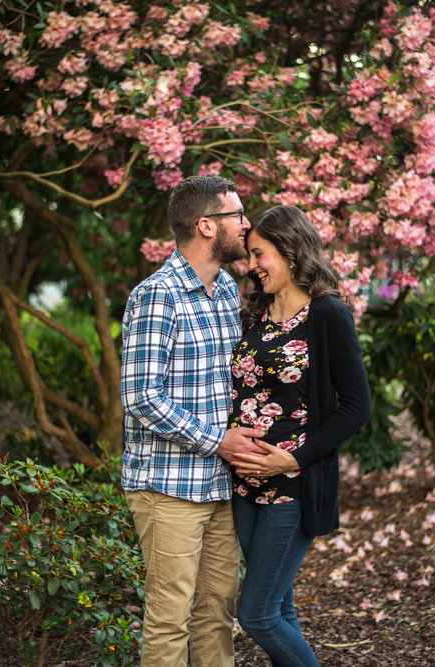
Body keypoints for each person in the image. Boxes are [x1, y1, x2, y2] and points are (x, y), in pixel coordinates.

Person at [120, 174, 266, 667]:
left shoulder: (226, 289)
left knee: (216, 615)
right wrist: (216, 441)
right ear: (206, 225)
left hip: (220, 487)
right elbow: (142, 396)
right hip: (167, 488)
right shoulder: (156, 296)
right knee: (169, 619)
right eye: (237, 216)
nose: (246, 226)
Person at [227, 205, 372, 666]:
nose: (253, 265)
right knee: (280, 606)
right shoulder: (256, 312)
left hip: (291, 486)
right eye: (250, 255)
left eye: (260, 254)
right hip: (243, 485)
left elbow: (356, 408)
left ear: (291, 251)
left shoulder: (328, 314)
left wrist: (291, 459)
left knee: (257, 614)